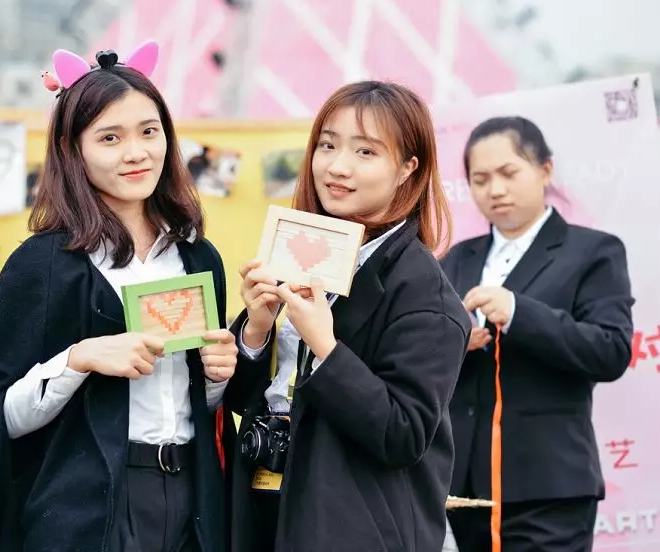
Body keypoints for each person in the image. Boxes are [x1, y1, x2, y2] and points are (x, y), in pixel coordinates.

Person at [0, 41, 236, 552]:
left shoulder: (198, 257)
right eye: (110, 137)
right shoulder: (43, 265)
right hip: (88, 510)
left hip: (191, 500)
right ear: (73, 150)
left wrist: (217, 377)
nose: (136, 153)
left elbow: (194, 406)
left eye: (149, 132)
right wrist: (79, 359)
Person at [224, 81, 471, 552]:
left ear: (408, 168)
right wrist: (256, 329)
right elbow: (243, 398)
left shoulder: (424, 292)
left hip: (353, 528)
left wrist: (327, 347)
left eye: (366, 152)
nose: (338, 166)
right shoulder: (302, 250)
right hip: (265, 510)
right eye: (328, 145)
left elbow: (403, 434)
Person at [441, 116, 634, 552]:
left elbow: (610, 350)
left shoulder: (593, 251)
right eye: (480, 180)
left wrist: (518, 312)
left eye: (509, 173)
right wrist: (453, 343)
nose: (496, 190)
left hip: (549, 484)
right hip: (465, 489)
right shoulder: (454, 260)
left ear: (545, 170)